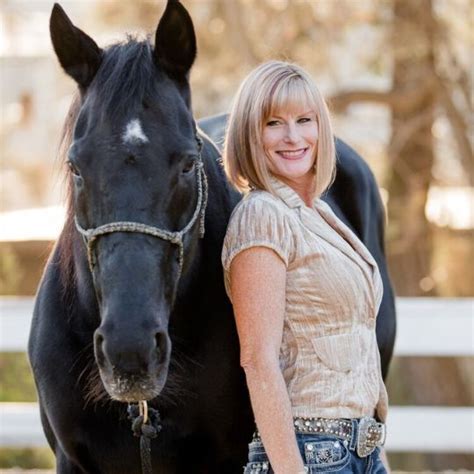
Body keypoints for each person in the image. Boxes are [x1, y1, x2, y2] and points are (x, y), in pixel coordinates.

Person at [221, 60, 389, 474]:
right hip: (310, 455)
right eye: (273, 123)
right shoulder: (262, 215)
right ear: (250, 133)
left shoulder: (320, 214)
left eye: (304, 120)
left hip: (360, 452)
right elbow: (258, 360)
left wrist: (375, 455)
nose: (293, 137)